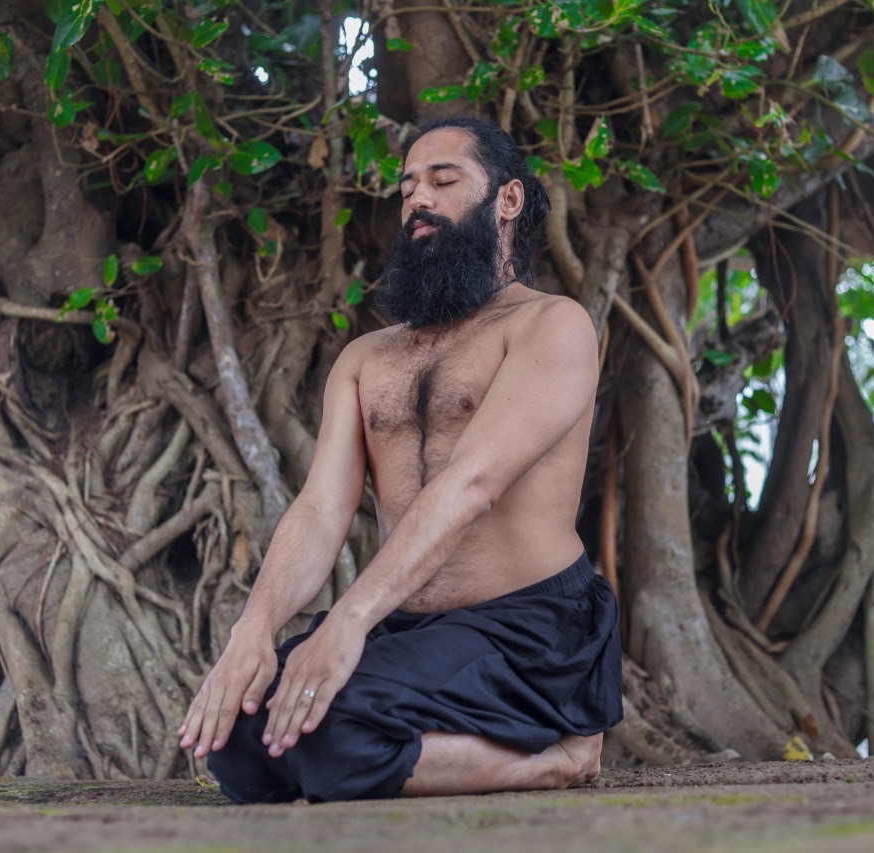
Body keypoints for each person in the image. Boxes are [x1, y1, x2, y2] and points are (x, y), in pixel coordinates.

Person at [178, 115, 623, 803]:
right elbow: (322, 507)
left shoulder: (551, 325)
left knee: (334, 742)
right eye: (408, 186)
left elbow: (472, 484)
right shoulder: (367, 358)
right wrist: (255, 631)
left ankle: (557, 759)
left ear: (507, 200)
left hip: (526, 630)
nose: (419, 198)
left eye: (443, 181)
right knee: (239, 741)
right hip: (407, 628)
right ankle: (413, 725)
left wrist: (349, 621)